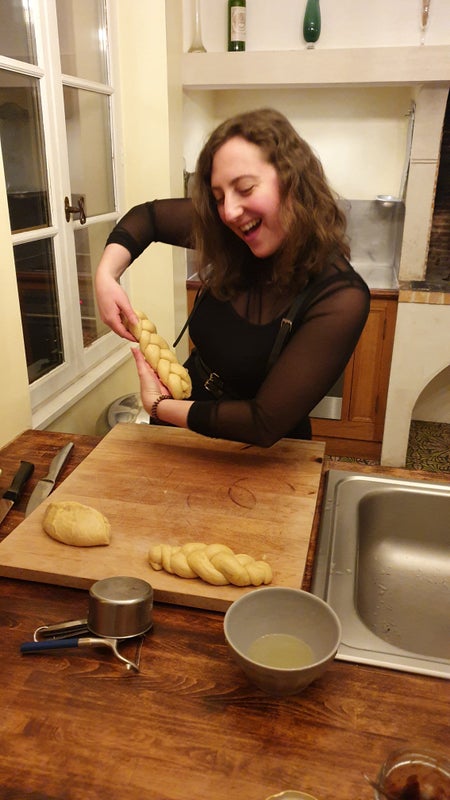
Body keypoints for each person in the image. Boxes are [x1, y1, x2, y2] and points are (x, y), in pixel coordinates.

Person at [95, 107, 370, 447]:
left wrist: (160, 407)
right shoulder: (232, 235)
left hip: (257, 454)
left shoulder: (341, 298)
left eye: (245, 188)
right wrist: (107, 276)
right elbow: (147, 218)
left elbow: (263, 422)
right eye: (219, 197)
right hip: (183, 427)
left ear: (294, 181)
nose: (229, 212)